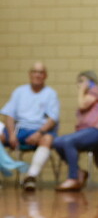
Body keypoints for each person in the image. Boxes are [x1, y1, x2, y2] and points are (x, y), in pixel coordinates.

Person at [0, 62, 60, 191]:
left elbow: (52, 119)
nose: (37, 75)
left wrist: (39, 133)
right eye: (35, 72)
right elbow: (9, 115)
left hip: (39, 131)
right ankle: (7, 167)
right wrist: (11, 134)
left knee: (47, 139)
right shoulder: (19, 91)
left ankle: (31, 176)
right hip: (18, 130)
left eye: (41, 72)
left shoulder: (51, 94)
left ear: (45, 75)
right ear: (30, 74)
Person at [53, 71, 98, 191]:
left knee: (69, 141)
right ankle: (78, 172)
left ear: (91, 81)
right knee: (57, 142)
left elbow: (82, 105)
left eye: (82, 81)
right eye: (78, 82)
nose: (79, 84)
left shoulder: (96, 90)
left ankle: (73, 178)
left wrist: (81, 90)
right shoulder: (87, 94)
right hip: (87, 132)